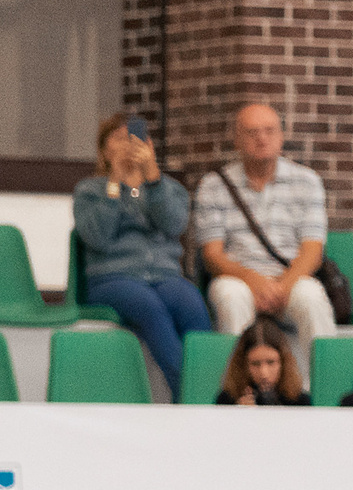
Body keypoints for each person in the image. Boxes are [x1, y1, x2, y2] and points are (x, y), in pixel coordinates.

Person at [71, 113, 211, 394]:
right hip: (112, 278)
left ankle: (209, 385)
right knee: (149, 307)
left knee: (192, 304)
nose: (128, 144)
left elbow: (175, 225)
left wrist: (153, 179)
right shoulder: (89, 190)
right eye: (118, 138)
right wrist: (114, 183)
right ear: (103, 150)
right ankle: (192, 395)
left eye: (134, 137)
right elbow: (97, 237)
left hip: (164, 276)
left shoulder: (169, 188)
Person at [194, 102, 336, 352]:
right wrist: (252, 280)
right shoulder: (213, 185)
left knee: (312, 298)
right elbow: (212, 255)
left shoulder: (307, 181)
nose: (262, 139)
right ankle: (238, 377)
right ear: (236, 140)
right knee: (231, 297)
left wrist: (281, 288)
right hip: (237, 278)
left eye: (269, 131)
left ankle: (326, 377)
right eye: (252, 132)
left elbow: (312, 251)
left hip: (291, 277)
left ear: (281, 137)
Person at [212, 318, 311, 406]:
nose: (264, 373)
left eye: (271, 362)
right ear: (242, 364)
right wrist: (237, 415)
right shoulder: (227, 400)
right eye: (255, 364)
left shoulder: (299, 401)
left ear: (283, 362)